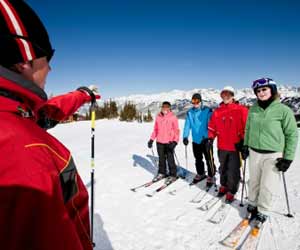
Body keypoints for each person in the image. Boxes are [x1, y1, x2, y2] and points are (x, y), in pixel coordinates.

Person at [0, 1, 99, 249]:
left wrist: (82, 95)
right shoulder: (26, 151)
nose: (51, 67)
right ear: (25, 59)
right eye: (47, 57)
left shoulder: (13, 111)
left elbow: (47, 112)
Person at [242, 78, 298, 223]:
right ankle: (252, 204)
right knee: (253, 181)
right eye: (258, 91)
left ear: (272, 90)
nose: (261, 93)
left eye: (264, 89)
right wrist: (245, 145)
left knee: (267, 185)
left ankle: (263, 209)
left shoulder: (283, 110)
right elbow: (248, 129)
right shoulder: (253, 109)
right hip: (254, 152)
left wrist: (288, 158)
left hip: (273, 154)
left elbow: (292, 134)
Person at [208, 86, 248, 203]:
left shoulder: (241, 110)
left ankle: (232, 190)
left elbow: (247, 128)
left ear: (233, 96)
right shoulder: (217, 111)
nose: (226, 97)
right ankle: (224, 186)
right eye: (223, 95)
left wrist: (245, 143)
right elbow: (212, 127)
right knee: (223, 168)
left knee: (233, 170)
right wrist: (210, 138)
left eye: (228, 94)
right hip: (222, 146)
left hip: (235, 146)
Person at [182, 93, 216, 187]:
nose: (195, 103)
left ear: (201, 101)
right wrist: (185, 136)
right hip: (195, 140)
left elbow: (212, 124)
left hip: (206, 140)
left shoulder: (207, 111)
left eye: (197, 101)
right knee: (198, 159)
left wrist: (211, 138)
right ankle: (201, 173)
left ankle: (211, 175)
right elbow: (187, 126)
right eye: (193, 101)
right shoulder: (190, 112)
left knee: (209, 159)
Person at [148, 101, 180, 184]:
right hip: (159, 141)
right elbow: (155, 129)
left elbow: (177, 130)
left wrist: (175, 141)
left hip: (169, 142)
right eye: (163, 107)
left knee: (170, 159)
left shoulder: (173, 117)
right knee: (161, 159)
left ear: (169, 108)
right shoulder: (158, 117)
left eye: (167, 107)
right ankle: (162, 173)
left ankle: (173, 174)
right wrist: (151, 139)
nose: (165, 108)